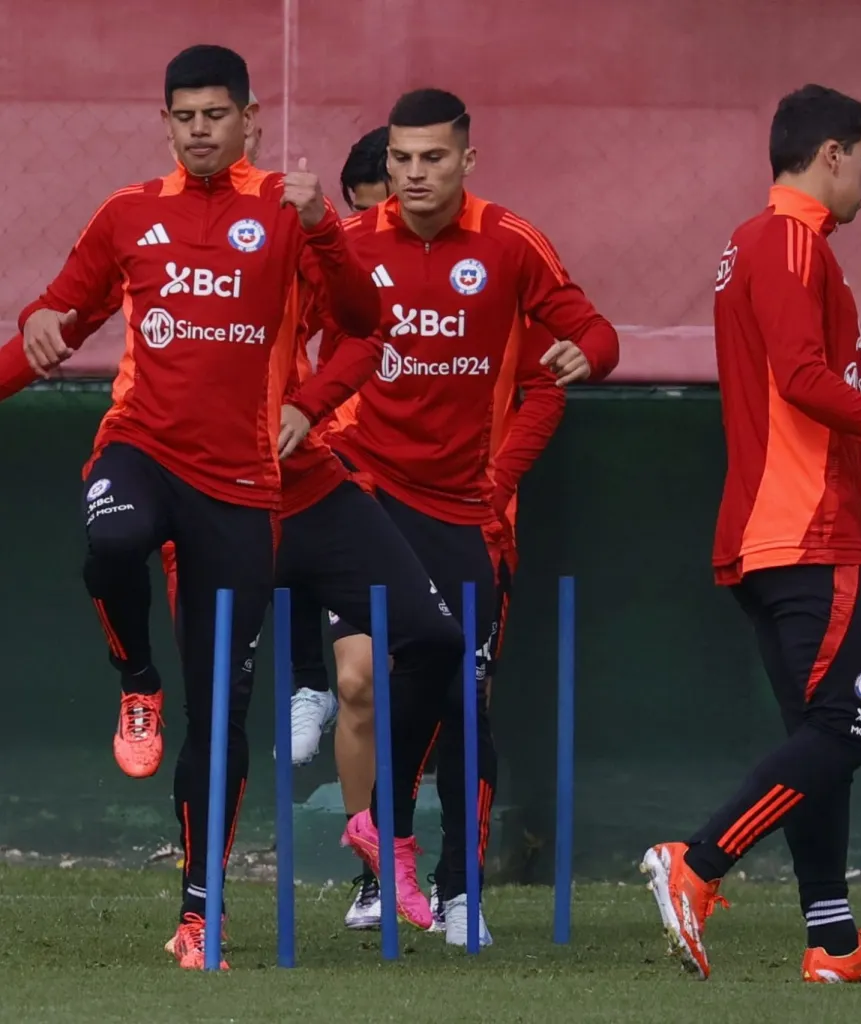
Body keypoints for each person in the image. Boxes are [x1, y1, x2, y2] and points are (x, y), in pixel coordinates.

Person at [12, 43, 380, 968]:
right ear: (167, 123)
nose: (203, 129)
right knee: (113, 542)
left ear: (249, 120)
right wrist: (40, 329)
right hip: (142, 446)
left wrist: (327, 234)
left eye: (219, 114)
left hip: (244, 486)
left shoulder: (287, 214)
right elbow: (58, 315)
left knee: (222, 711)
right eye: (186, 116)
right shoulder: (131, 213)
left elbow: (363, 325)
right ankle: (137, 682)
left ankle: (198, 911)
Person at [640, 84, 861, 984]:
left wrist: (859, 478)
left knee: (822, 743)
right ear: (832, 153)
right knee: (847, 732)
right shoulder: (785, 240)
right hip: (798, 530)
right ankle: (696, 864)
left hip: (788, 524)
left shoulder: (779, 246)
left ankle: (832, 942)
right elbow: (804, 379)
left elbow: (808, 388)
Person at [316, 87, 617, 946]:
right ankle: (384, 852)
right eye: (401, 161)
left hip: (466, 511)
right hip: (366, 494)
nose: (414, 175)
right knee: (365, 680)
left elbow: (594, 335)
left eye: (432, 159)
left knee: (460, 695)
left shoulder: (510, 243)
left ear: (466, 161)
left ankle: (460, 889)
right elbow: (285, 328)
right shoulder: (347, 248)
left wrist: (582, 355)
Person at [286, 124, 394, 760]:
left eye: (377, 205)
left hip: (444, 485)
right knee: (356, 677)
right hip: (348, 456)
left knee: (452, 680)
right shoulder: (335, 254)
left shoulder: (484, 255)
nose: (367, 223)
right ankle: (306, 684)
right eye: (355, 208)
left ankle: (432, 844)